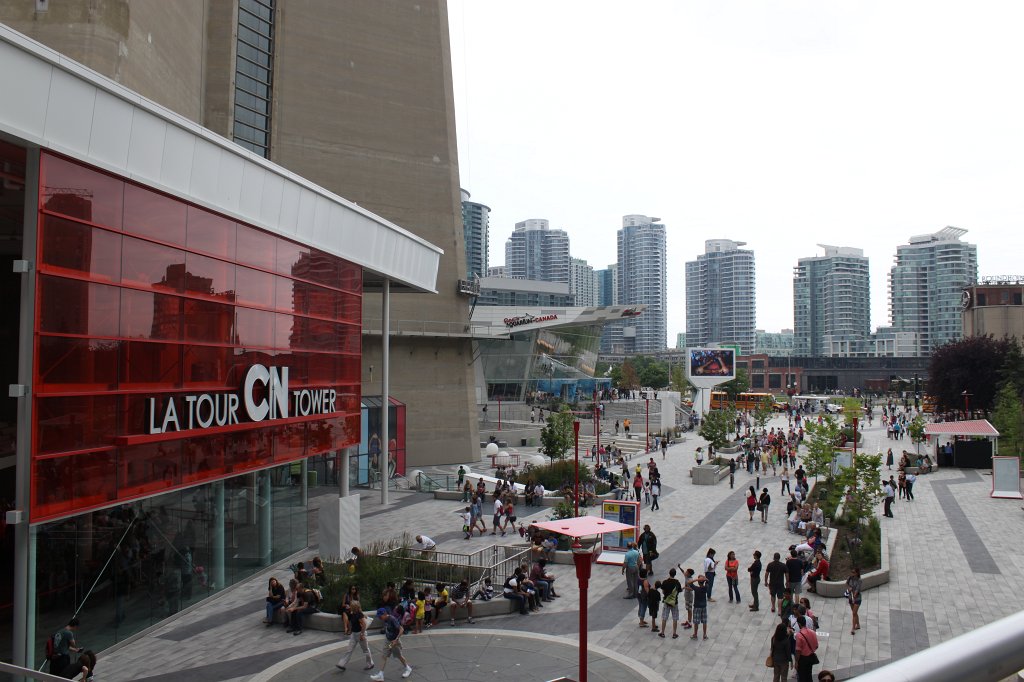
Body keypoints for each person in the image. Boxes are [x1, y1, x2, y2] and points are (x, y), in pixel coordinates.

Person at [371, 607, 413, 680]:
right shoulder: (385, 619)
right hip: (388, 641)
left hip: (394, 642)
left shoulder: (392, 619)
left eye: (380, 616)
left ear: (384, 614)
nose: (379, 618)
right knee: (384, 656)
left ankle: (408, 668)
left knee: (399, 656)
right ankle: (381, 675)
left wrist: (396, 640)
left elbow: (401, 629)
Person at [336, 599, 374, 672]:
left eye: (351, 605)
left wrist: (362, 634)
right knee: (349, 649)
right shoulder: (352, 613)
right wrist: (350, 630)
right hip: (354, 634)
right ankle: (341, 664)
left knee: (366, 650)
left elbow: (364, 624)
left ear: (354, 607)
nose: (349, 606)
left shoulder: (359, 614)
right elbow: (350, 622)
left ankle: (370, 664)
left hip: (360, 634)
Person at [658, 568, 683, 639]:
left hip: (667, 602)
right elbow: (679, 591)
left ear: (669, 573)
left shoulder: (665, 582)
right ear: (675, 574)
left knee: (664, 617)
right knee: (675, 618)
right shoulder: (677, 582)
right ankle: (674, 633)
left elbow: (663, 592)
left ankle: (662, 632)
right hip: (675, 602)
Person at [795, 615, 820, 682]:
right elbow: (816, 646)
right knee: (809, 675)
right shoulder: (812, 632)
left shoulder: (799, 635)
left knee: (802, 677)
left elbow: (798, 650)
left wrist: (796, 661)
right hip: (810, 657)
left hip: (802, 659)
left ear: (799, 624)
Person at [687, 574, 710, 640]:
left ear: (698, 582)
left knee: (696, 622)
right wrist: (703, 578)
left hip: (697, 607)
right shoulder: (705, 587)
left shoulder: (696, 588)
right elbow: (708, 580)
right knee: (704, 621)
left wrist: (697, 579)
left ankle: (695, 635)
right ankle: (705, 635)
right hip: (704, 607)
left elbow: (689, 583)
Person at [846, 568, 862, 635]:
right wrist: (849, 588)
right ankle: (858, 625)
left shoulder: (859, 580)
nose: (852, 573)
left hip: (857, 598)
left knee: (854, 613)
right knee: (854, 613)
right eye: (852, 572)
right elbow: (846, 584)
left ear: (857, 573)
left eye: (854, 572)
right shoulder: (850, 578)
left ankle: (853, 628)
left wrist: (854, 594)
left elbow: (857, 589)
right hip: (850, 597)